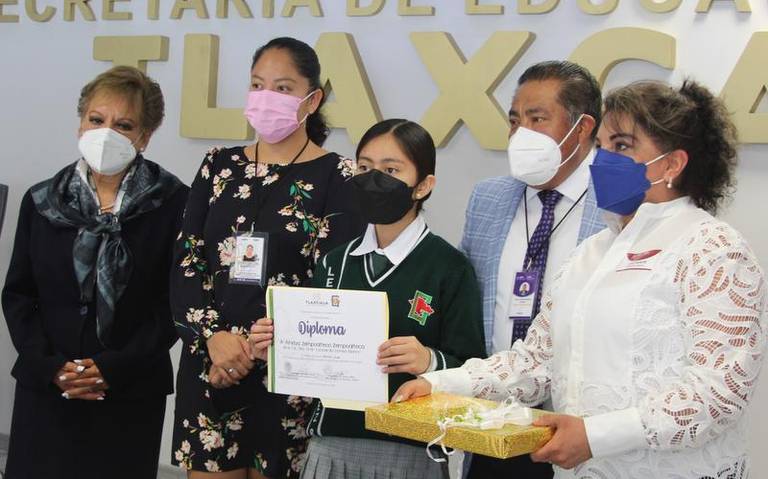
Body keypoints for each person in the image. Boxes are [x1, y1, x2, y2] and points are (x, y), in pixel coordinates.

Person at [396, 80, 767, 479]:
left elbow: (719, 393)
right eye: (603, 146)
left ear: (672, 164)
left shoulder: (713, 249)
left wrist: (595, 435)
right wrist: (441, 383)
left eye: (622, 146)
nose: (602, 160)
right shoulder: (590, 253)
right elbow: (536, 363)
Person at [249, 118, 486, 479]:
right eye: (364, 167)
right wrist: (277, 346)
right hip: (330, 444)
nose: (374, 179)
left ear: (423, 185)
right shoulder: (334, 261)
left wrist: (428, 359)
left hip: (410, 449)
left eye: (391, 169)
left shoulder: (449, 267)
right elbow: (310, 355)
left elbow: (475, 368)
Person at [171, 37, 364, 479]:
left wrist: (263, 345)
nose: (265, 98)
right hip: (212, 363)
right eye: (257, 85)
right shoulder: (217, 165)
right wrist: (214, 339)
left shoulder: (339, 175)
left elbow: (332, 280)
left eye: (282, 88)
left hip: (287, 370)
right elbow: (187, 260)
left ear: (311, 100)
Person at [2, 66, 188, 479]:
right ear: (80, 122)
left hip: (128, 393)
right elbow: (18, 295)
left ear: (145, 136)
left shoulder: (176, 204)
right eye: (96, 120)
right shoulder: (42, 200)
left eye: (124, 125)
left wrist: (111, 368)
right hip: (47, 390)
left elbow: (173, 304)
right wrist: (54, 368)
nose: (107, 133)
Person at [457, 60, 605, 478]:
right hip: (493, 423)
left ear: (582, 128)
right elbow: (466, 305)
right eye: (515, 120)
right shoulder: (488, 199)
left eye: (538, 119)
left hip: (577, 432)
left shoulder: (618, 204)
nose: (521, 133)